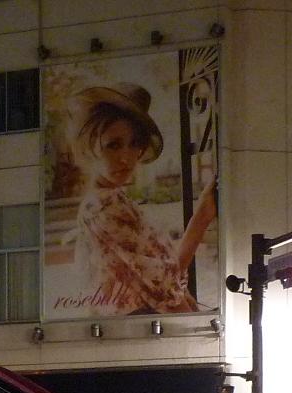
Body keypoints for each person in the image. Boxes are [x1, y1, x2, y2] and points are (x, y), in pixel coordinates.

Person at [67, 82, 218, 315]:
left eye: (135, 144)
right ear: (91, 146)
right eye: (113, 145)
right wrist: (201, 218)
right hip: (137, 331)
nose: (126, 158)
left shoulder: (113, 198)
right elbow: (163, 280)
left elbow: (167, 276)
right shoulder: (102, 208)